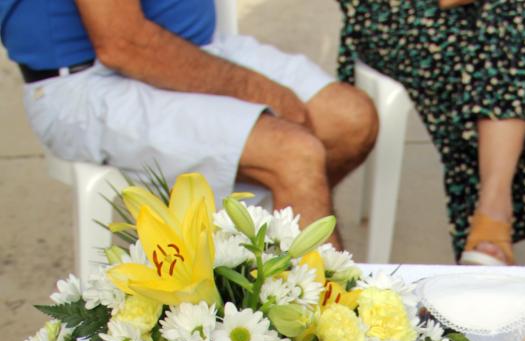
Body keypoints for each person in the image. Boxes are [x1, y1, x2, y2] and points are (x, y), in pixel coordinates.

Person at [0, 0, 379, 243]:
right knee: (293, 155)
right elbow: (123, 45)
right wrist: (265, 92)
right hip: (87, 80)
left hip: (192, 50)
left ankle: (253, 270)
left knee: (350, 121)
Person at [335, 0, 525, 264]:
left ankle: (492, 208)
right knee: (515, 28)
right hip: (387, 14)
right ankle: (493, 214)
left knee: (514, 24)